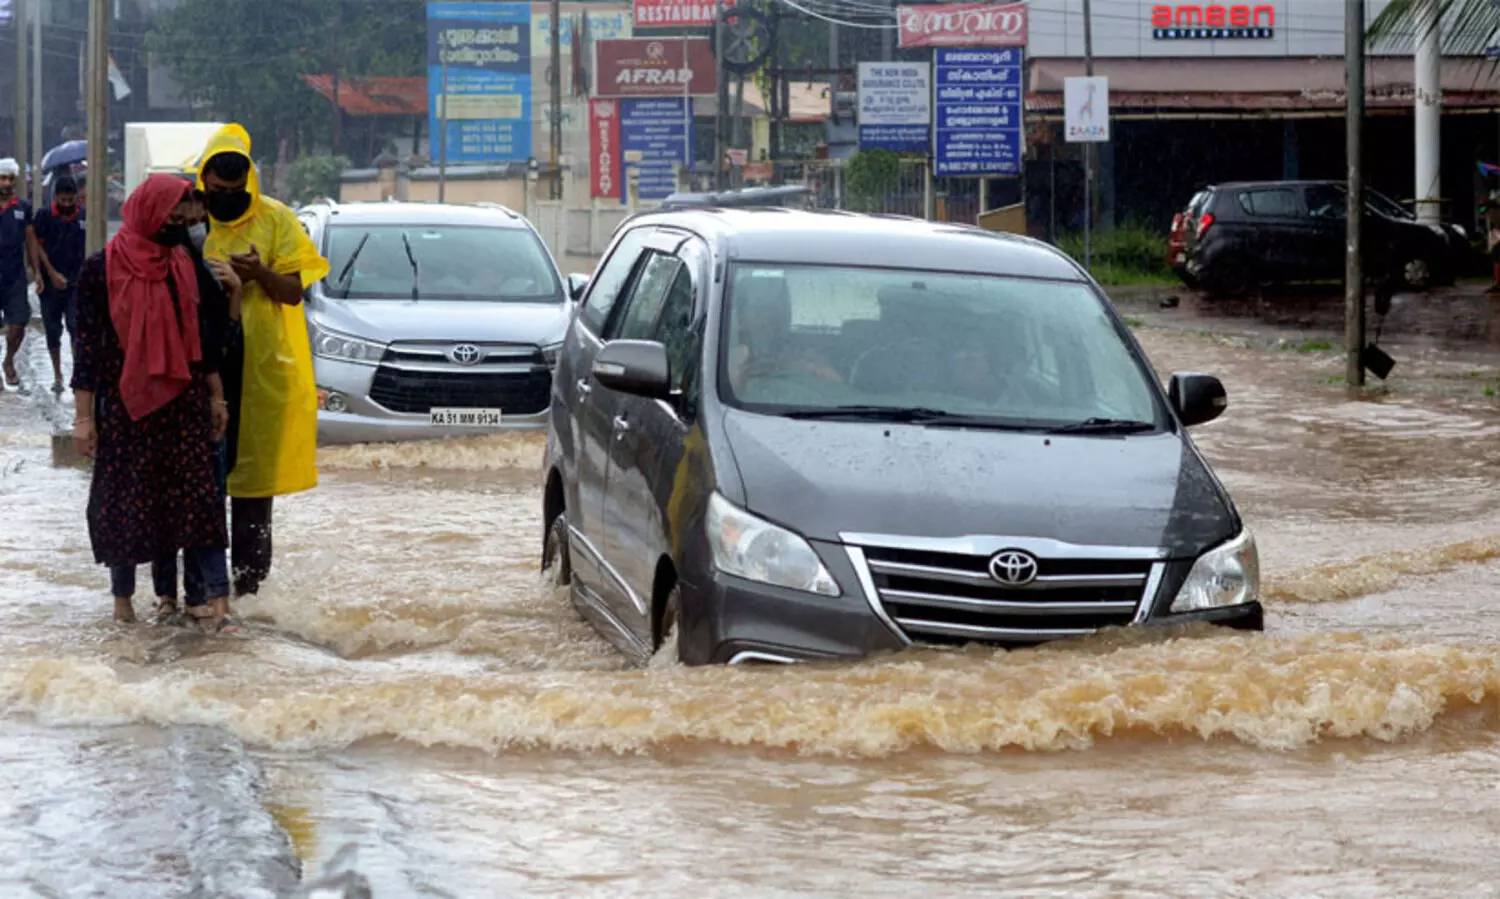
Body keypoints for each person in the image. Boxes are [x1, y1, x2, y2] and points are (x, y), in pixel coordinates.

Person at [70, 174, 240, 629]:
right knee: (125, 504)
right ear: (148, 212)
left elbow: (200, 338)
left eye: (183, 219)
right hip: (126, 405)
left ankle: (220, 608)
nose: (179, 226)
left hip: (184, 403)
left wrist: (217, 397)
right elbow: (87, 350)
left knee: (201, 504)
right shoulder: (100, 269)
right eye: (172, 217)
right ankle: (123, 606)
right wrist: (84, 419)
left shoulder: (181, 262)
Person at [195, 124, 328, 597]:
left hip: (261, 369)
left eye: (235, 192)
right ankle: (202, 593)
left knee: (254, 492)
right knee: (200, 484)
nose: (225, 200)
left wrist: (260, 274)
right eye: (216, 192)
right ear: (203, 182)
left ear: (249, 182)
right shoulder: (190, 219)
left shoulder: (276, 219)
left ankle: (250, 594)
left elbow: (294, 292)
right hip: (202, 366)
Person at [32, 175, 88, 391]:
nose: (66, 204)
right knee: (52, 330)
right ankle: (58, 375)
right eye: (62, 200)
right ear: (55, 197)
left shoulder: (83, 217)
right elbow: (36, 245)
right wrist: (49, 273)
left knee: (76, 327)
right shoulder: (44, 216)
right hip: (50, 284)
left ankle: (77, 374)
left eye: (70, 200)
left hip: (76, 283)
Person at [0, 157, 40, 387]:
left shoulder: (23, 207)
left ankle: (8, 360)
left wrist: (37, 271)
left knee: (19, 322)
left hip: (15, 275)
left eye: (9, 179)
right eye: (2, 178)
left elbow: (31, 240)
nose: (6, 183)